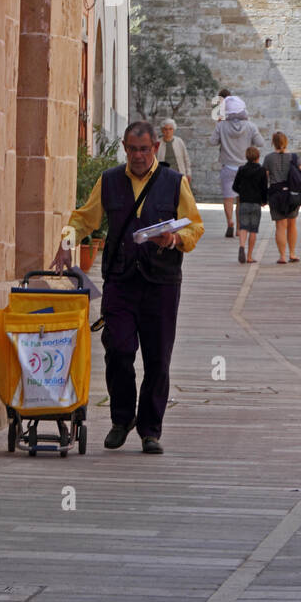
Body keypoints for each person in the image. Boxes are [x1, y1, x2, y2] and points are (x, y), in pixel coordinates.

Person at [55, 120, 204, 454]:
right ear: (124, 148)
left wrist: (176, 238)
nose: (138, 156)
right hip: (120, 281)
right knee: (118, 350)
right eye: (133, 149)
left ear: (155, 148)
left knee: (158, 358)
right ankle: (122, 419)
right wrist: (67, 242)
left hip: (162, 283)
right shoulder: (109, 181)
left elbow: (195, 225)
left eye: (144, 149)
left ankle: (150, 430)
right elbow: (84, 218)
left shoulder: (174, 182)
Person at [214, 96, 264, 238]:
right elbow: (260, 143)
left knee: (228, 198)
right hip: (244, 168)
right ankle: (239, 228)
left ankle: (229, 222)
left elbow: (212, 141)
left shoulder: (221, 125)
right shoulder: (250, 125)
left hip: (228, 166)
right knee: (241, 199)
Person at [263, 131, 301, 264]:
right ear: (286, 142)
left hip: (275, 194)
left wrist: (263, 197)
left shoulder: (268, 158)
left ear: (273, 143)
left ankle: (282, 256)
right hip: (292, 195)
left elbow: (264, 178)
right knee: (292, 224)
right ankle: (293, 253)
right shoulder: (294, 157)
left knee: (280, 225)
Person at [232, 145, 267, 264]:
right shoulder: (262, 170)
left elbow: (235, 186)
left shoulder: (241, 169)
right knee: (253, 230)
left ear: (246, 157)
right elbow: (264, 188)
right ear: (258, 157)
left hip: (244, 202)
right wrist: (264, 201)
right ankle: (250, 256)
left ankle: (242, 246)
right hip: (256, 203)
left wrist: (242, 193)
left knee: (243, 227)